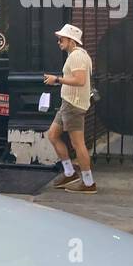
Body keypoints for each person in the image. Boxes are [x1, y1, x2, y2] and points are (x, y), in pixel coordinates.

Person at [44, 23, 95, 193]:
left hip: (73, 105)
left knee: (77, 144)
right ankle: (69, 172)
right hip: (68, 103)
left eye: (61, 39)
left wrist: (56, 80)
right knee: (52, 135)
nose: (59, 42)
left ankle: (88, 183)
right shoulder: (77, 55)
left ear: (71, 40)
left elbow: (80, 81)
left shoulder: (76, 57)